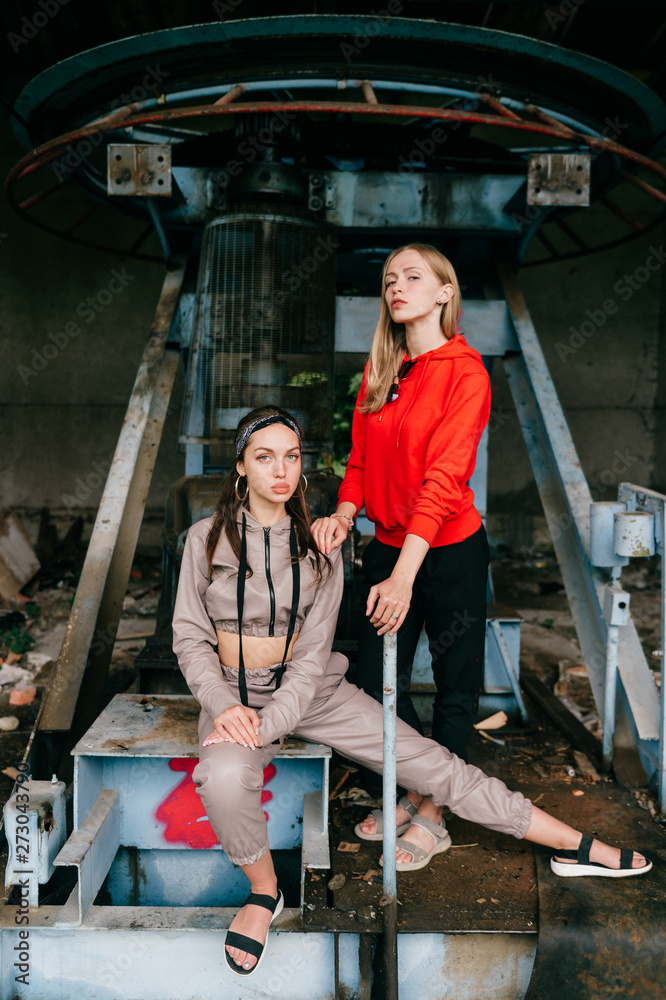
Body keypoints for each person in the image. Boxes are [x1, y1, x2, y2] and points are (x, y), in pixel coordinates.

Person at [172, 406, 651, 979]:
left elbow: (312, 655)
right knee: (223, 777)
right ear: (241, 469)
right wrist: (226, 709)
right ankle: (264, 891)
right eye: (264, 457)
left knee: (434, 765)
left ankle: (572, 843)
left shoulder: (322, 547)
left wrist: (266, 723)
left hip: (313, 692)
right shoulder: (204, 540)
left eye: (292, 457)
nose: (281, 471)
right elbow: (189, 636)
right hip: (229, 695)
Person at [311, 241, 491, 856]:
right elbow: (359, 461)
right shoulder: (382, 371)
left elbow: (442, 482)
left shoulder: (466, 373)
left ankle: (434, 812)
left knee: (454, 683)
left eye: (413, 276)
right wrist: (342, 513)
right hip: (389, 549)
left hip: (449, 551)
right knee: (368, 681)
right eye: (390, 279)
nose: (397, 286)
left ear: (445, 291)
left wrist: (407, 573)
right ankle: (418, 784)